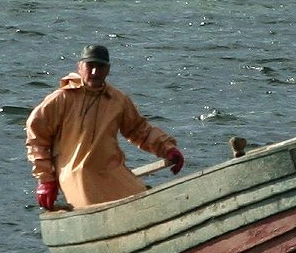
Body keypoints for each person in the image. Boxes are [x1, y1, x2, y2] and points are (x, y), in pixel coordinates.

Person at [25, 44, 185, 210]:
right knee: (102, 209)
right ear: (79, 67)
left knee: (145, 203)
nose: (94, 72)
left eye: (100, 67)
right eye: (90, 66)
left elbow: (139, 130)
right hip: (78, 175)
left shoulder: (117, 100)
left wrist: (167, 149)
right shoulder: (62, 98)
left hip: (112, 170)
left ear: (108, 70)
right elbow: (36, 136)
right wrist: (46, 180)